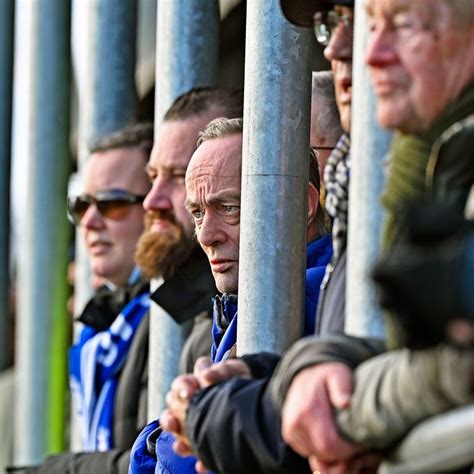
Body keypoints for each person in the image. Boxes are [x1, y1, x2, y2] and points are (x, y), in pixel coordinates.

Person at [272, 0, 474, 472]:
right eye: (368, 23)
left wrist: (350, 419)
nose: (368, 52)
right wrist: (312, 368)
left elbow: (462, 368)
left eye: (403, 24)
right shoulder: (422, 166)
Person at [130, 116, 333, 473]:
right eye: (196, 213)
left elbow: (185, 461)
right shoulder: (246, 303)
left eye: (229, 208)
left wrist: (156, 441)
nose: (206, 235)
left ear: (303, 205)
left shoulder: (307, 299)